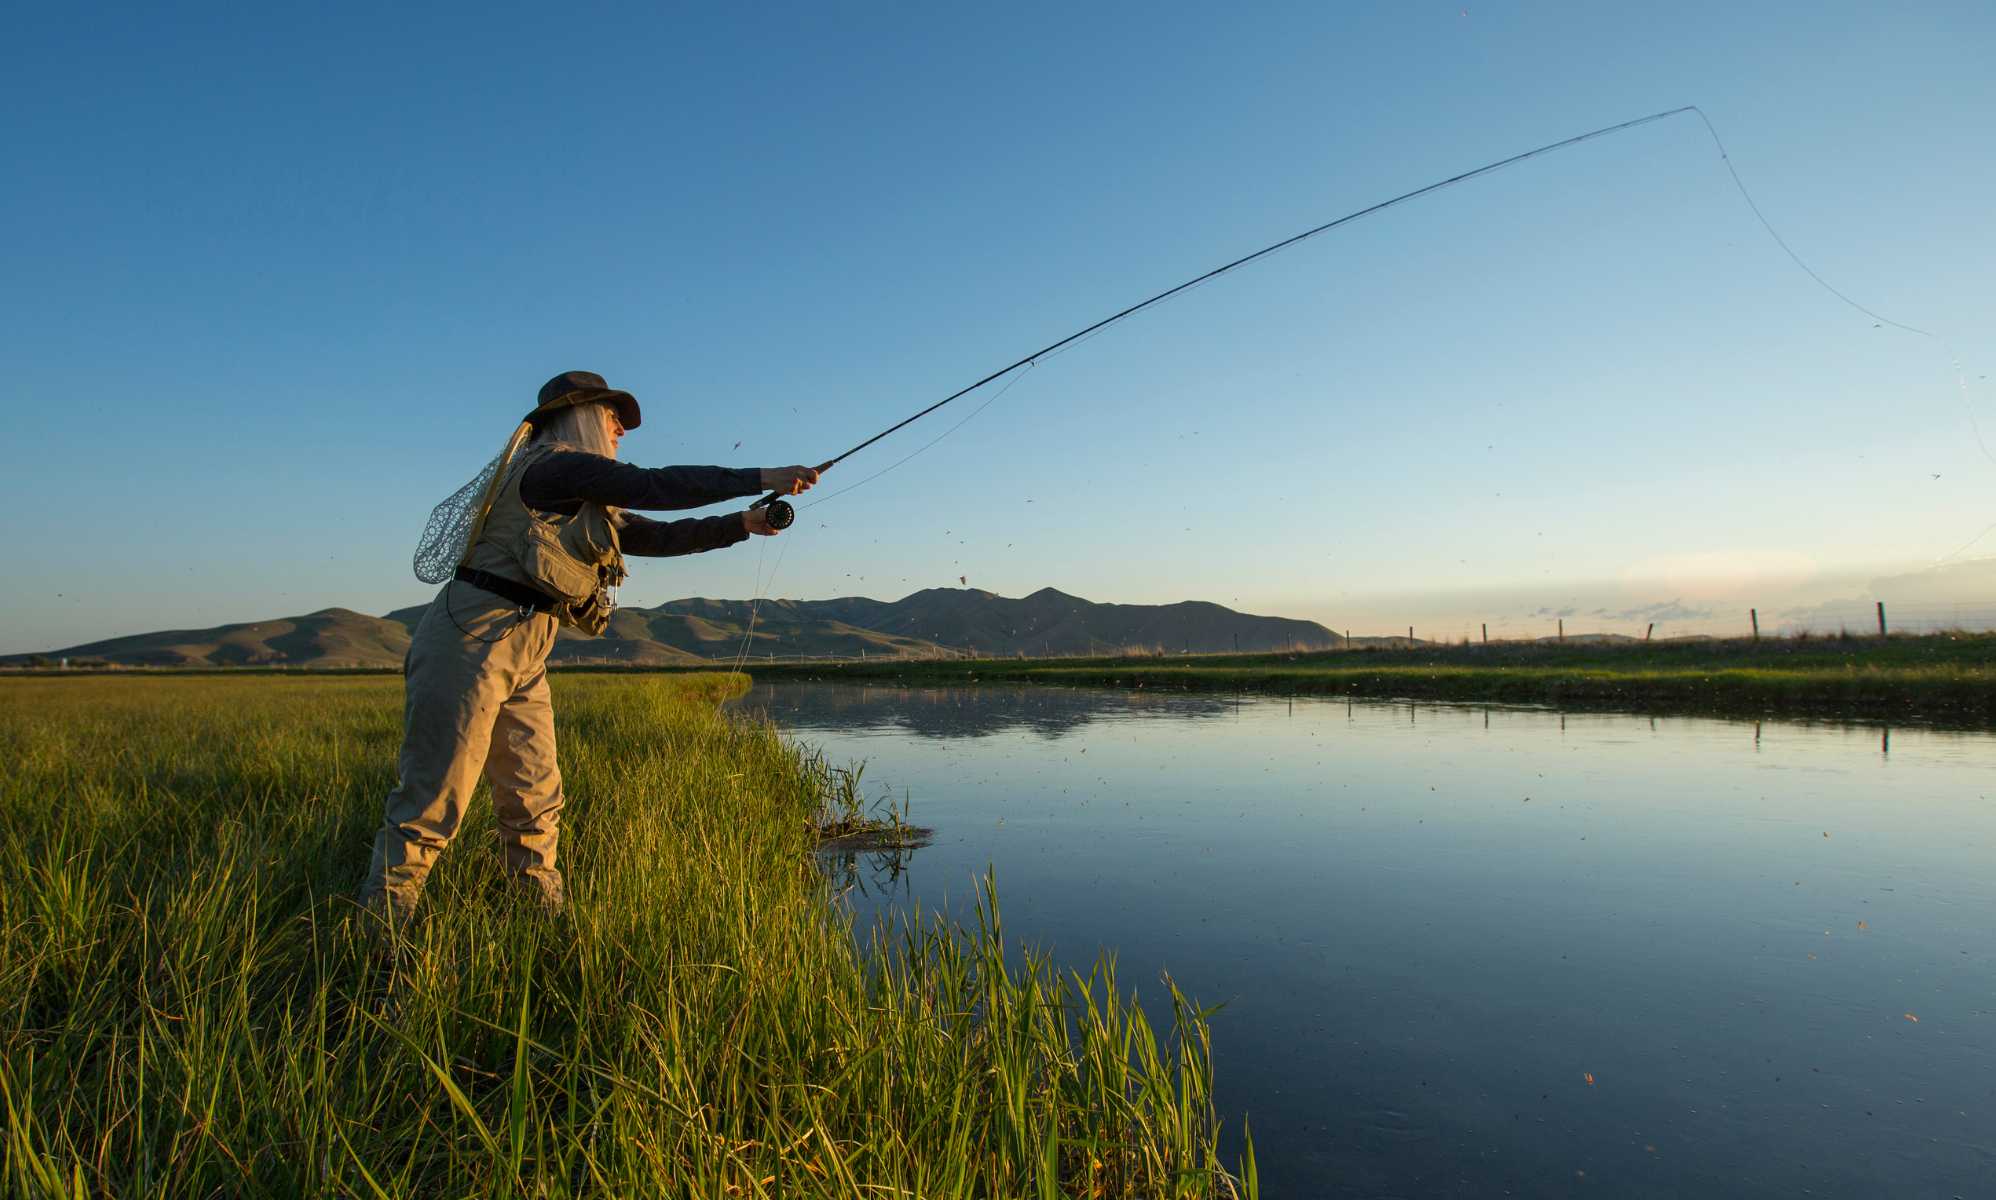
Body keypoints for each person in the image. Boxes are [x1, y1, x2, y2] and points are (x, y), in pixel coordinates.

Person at [358, 371, 817, 917]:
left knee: (535, 798)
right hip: (472, 642)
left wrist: (743, 523)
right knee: (433, 803)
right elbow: (656, 485)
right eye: (610, 414)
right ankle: (379, 940)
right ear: (573, 415)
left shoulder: (580, 494)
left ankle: (539, 923)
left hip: (523, 646)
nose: (621, 426)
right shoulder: (554, 465)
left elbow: (657, 536)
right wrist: (762, 475)